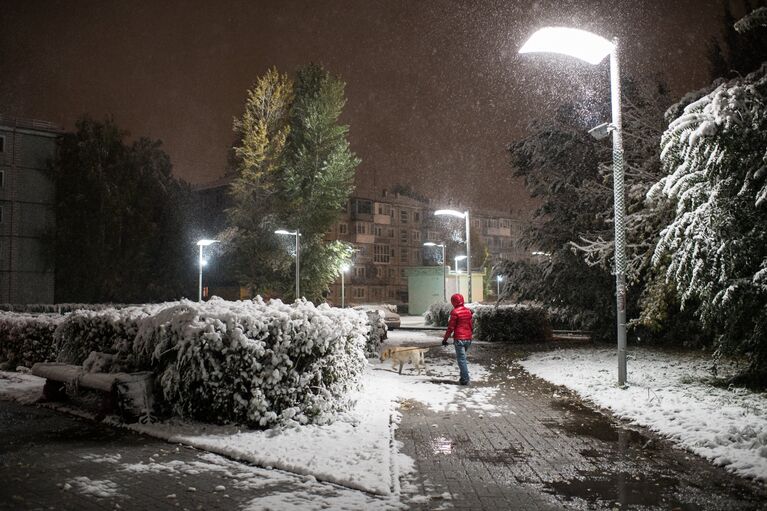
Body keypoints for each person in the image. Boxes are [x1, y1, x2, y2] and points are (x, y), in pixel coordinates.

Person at [442, 293, 473, 386]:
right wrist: (470, 335)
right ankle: (463, 377)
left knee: (461, 360)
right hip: (468, 339)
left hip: (459, 339)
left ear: (453, 302)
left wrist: (445, 339)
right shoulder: (468, 311)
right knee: (463, 359)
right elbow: (471, 325)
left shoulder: (455, 312)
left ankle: (465, 379)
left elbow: (450, 328)